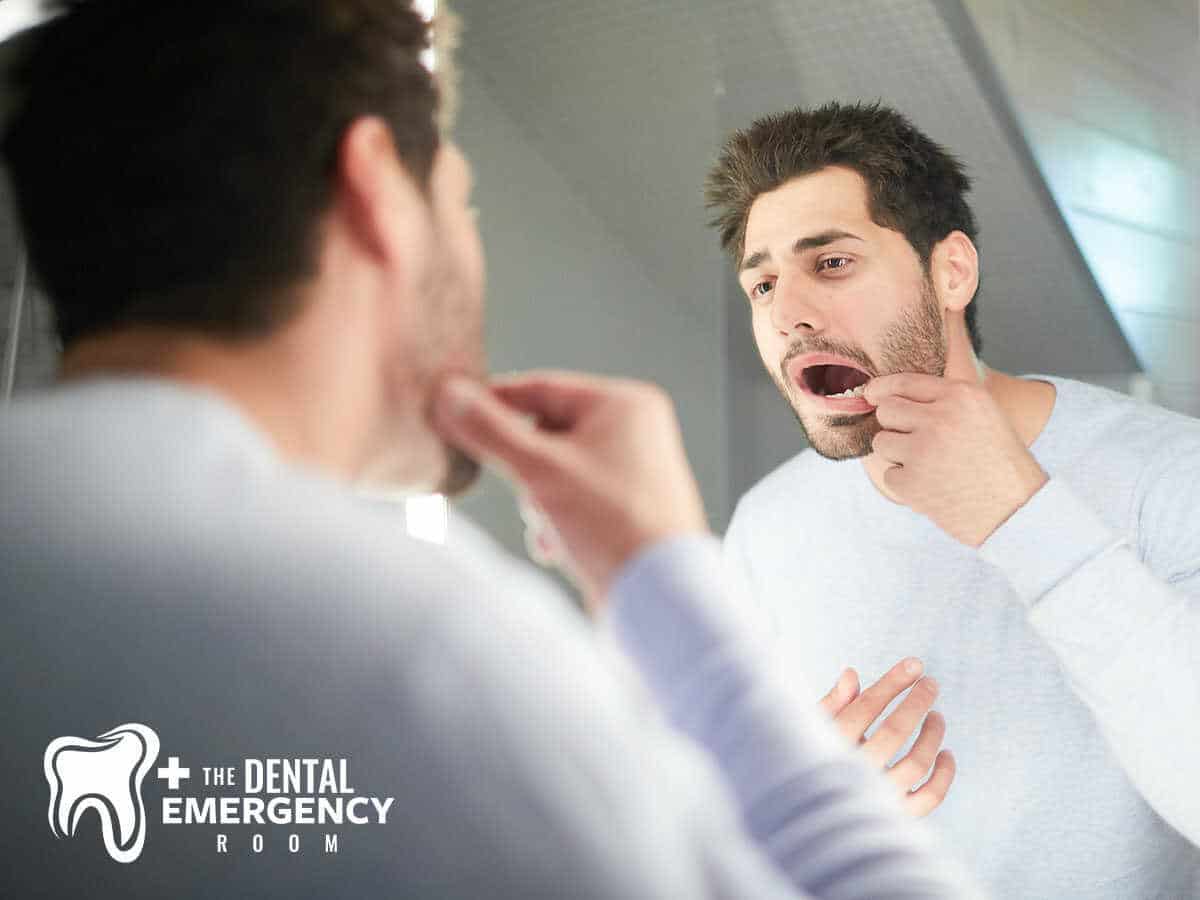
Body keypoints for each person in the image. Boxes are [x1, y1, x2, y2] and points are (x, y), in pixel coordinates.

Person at [0, 3, 981, 898]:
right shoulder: (419, 657)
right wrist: (671, 590)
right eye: (459, 203)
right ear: (379, 189)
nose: (789, 309)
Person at [709, 100, 1200, 898]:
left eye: (830, 263)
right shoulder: (768, 527)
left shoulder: (1175, 474)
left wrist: (1022, 516)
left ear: (952, 271)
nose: (789, 312)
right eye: (762, 284)